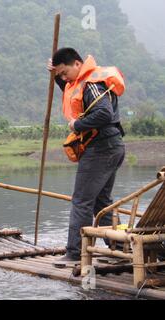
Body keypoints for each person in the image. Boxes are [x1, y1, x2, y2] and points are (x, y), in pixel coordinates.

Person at [48, 48, 126, 265]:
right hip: (111, 145)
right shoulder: (84, 82)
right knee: (102, 202)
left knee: (81, 200)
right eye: (60, 75)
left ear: (77, 64)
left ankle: (74, 253)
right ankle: (120, 247)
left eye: (65, 72)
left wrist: (77, 124)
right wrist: (56, 76)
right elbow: (70, 91)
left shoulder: (91, 84)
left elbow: (103, 113)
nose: (64, 78)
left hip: (101, 148)